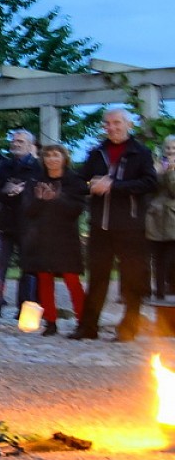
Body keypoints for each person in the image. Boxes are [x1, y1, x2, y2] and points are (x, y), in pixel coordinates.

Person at [70, 108, 158, 342]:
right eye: (107, 123)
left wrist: (115, 185)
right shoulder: (96, 152)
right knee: (97, 278)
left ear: (128, 125)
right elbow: (78, 182)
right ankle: (87, 327)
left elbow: (149, 182)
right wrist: (92, 185)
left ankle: (128, 329)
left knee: (132, 280)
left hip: (130, 227)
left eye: (117, 122)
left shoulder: (141, 152)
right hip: (100, 226)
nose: (112, 127)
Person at [20, 144, 88, 336]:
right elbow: (28, 210)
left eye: (55, 155)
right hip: (42, 235)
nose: (51, 159)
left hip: (66, 236)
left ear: (64, 158)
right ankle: (50, 321)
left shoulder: (74, 181)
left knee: (72, 279)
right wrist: (40, 199)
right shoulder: (36, 180)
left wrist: (57, 198)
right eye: (48, 156)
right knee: (44, 278)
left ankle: (83, 320)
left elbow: (77, 209)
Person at [0, 130, 42, 313]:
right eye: (14, 141)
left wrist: (25, 190)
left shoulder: (39, 167)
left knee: (28, 267)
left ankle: (25, 309)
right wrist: (7, 190)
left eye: (20, 141)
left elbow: (43, 193)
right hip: (6, 221)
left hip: (28, 223)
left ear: (30, 145)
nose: (15, 144)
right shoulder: (4, 166)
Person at [147, 135, 175, 300]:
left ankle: (171, 287)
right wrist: (156, 173)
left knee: (171, 257)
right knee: (158, 258)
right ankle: (159, 291)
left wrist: (171, 173)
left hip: (172, 219)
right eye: (168, 148)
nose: (170, 151)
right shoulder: (157, 165)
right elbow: (150, 189)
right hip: (156, 218)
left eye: (173, 148)